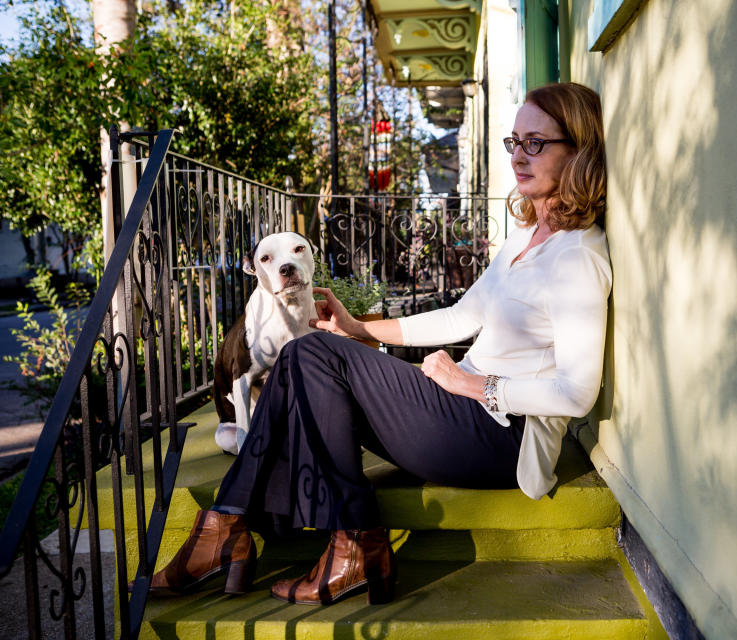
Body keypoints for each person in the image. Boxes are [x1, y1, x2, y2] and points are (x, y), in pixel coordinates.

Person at [146, 82, 612, 606]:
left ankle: (254, 533)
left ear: (579, 151)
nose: (518, 158)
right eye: (514, 142)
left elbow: (577, 393)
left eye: (536, 144)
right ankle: (284, 536)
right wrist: (358, 329)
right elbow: (462, 316)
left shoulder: (577, 258)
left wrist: (473, 383)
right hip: (458, 410)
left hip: (498, 437)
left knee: (307, 353)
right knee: (310, 358)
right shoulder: (527, 240)